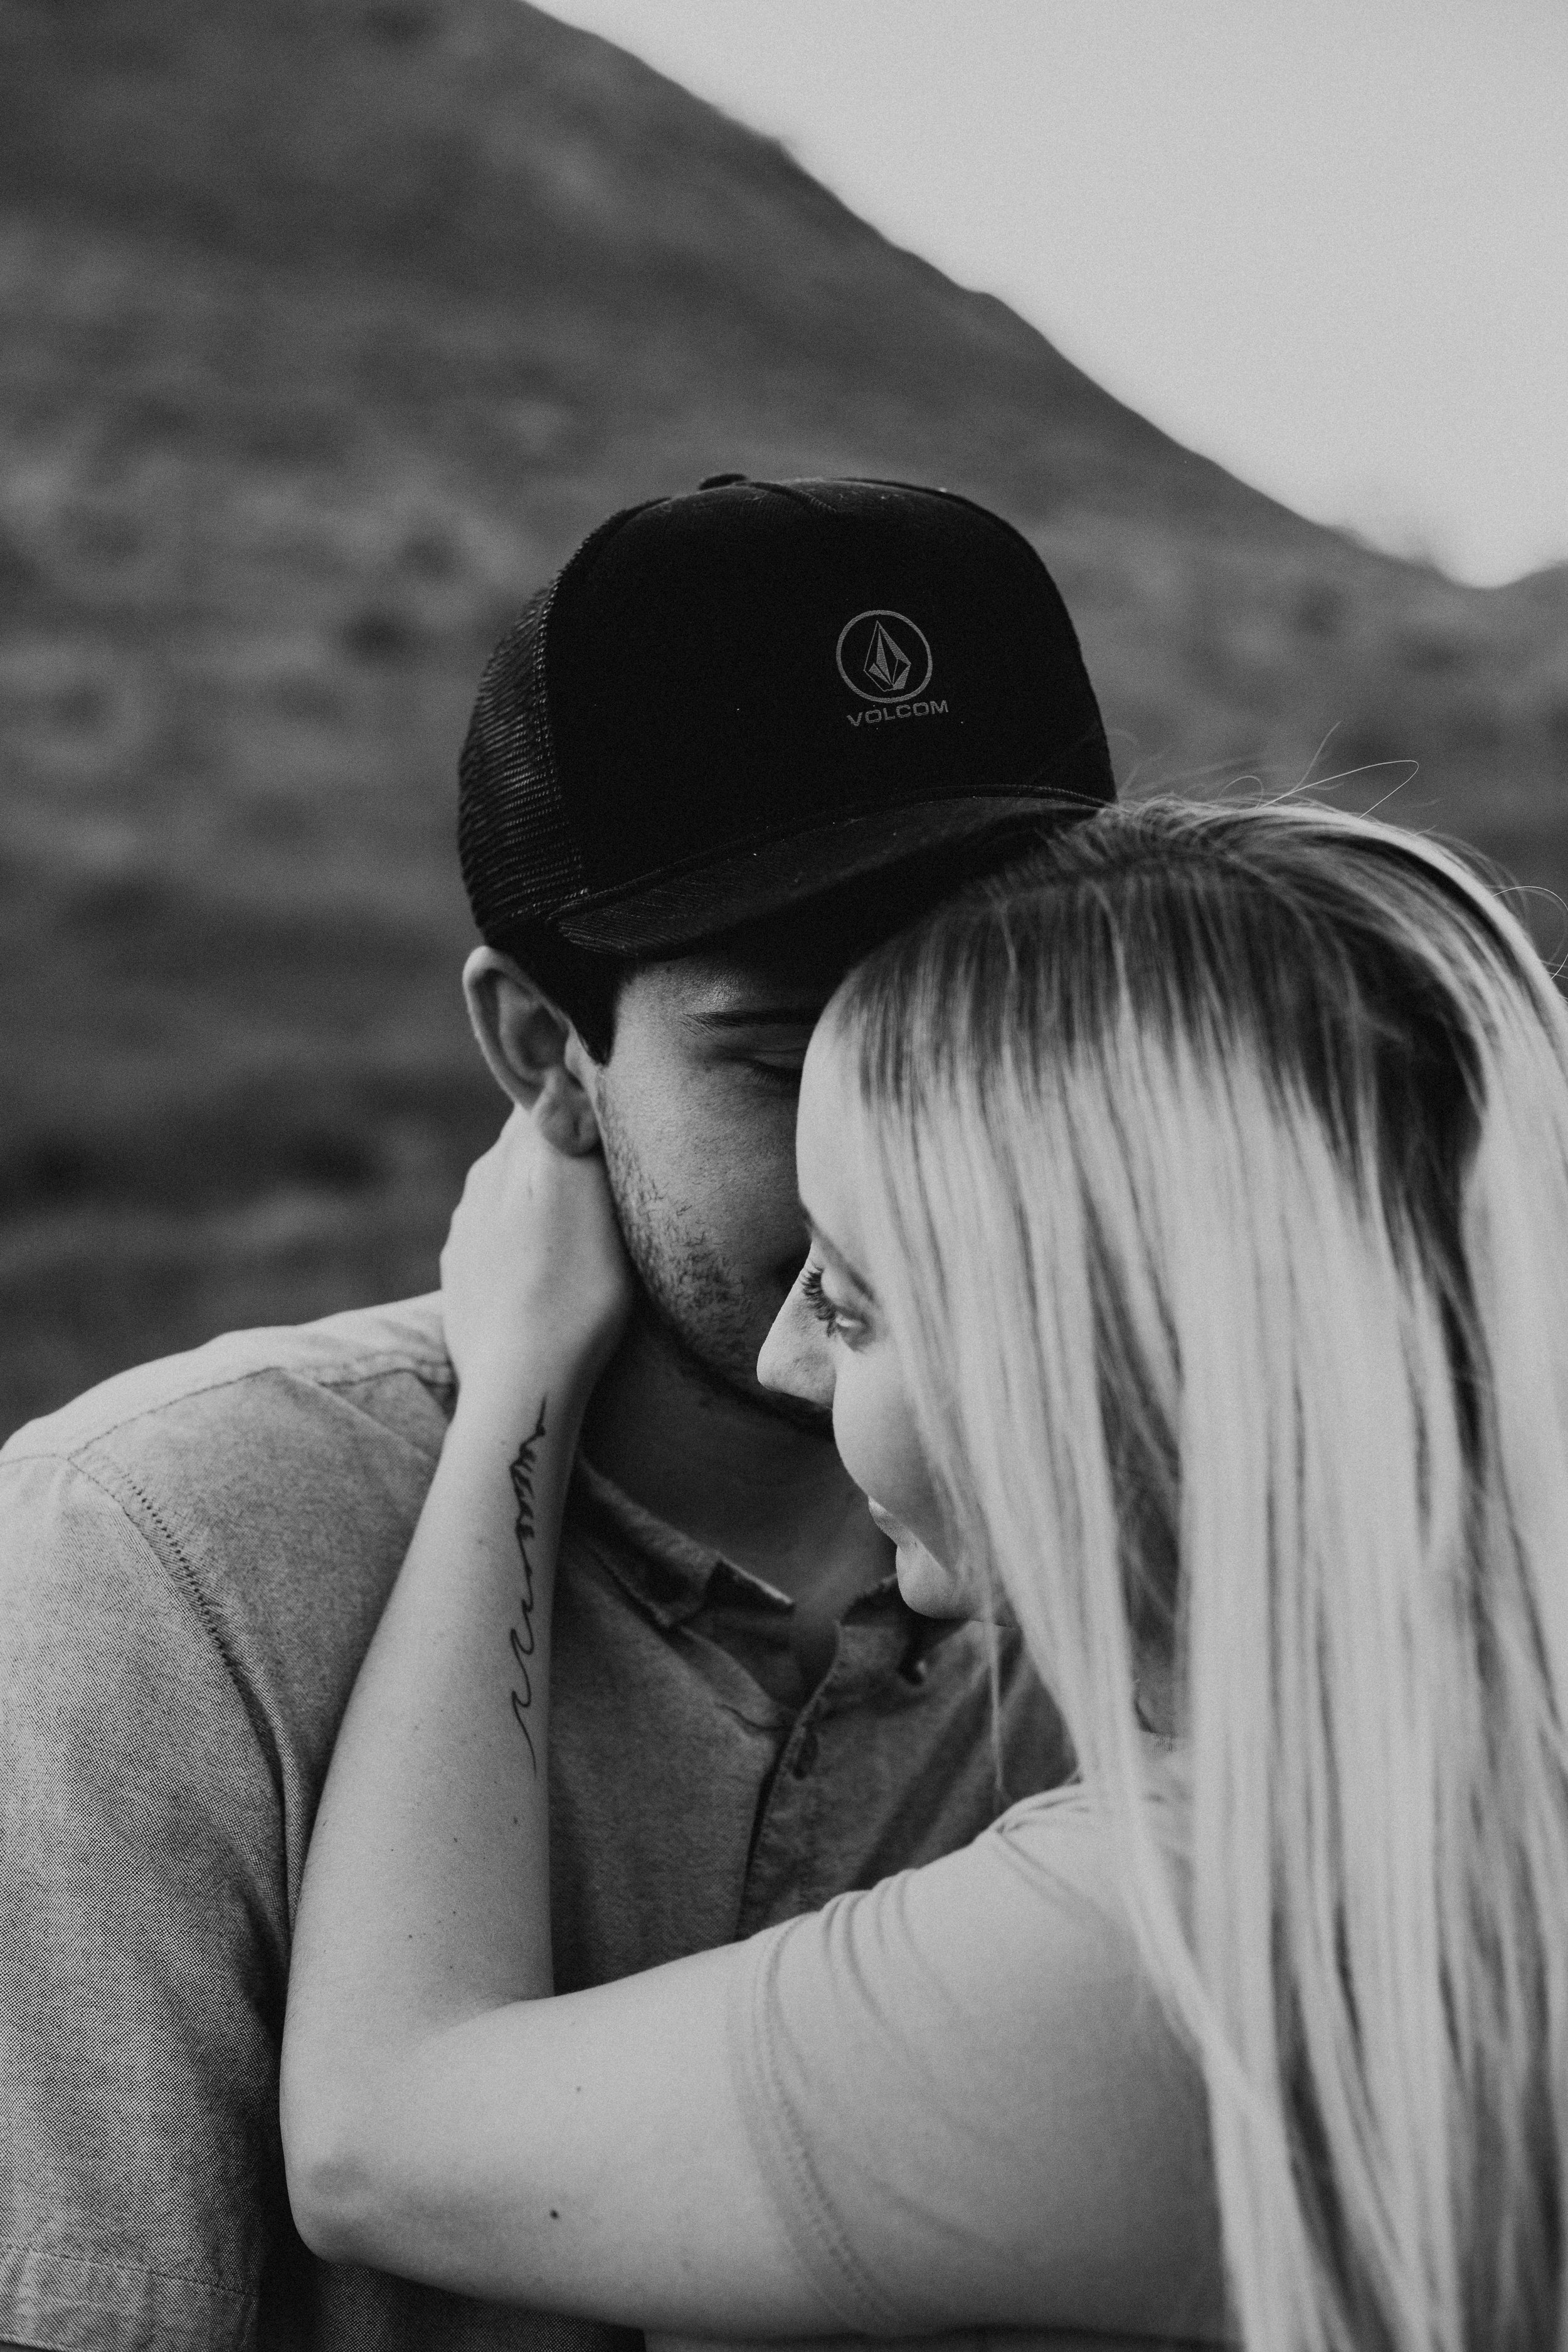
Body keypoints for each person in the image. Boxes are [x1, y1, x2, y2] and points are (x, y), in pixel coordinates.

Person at [0, 475, 1116, 2352]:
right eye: (781, 1055)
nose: (910, 1161)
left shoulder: (1181, 1599)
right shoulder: (159, 1561)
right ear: (544, 1051)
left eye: (983, 1027)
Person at [282, 794, 1568, 2352]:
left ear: (1070, 1340)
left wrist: (514, 1380)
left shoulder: (1182, 1947)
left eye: (857, 1300)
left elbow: (376, 2133)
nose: (783, 1354)